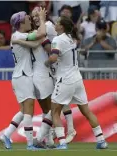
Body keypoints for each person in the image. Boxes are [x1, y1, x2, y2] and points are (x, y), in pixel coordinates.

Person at [44, 16, 108, 149]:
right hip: (77, 79)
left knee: (55, 111)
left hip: (65, 80)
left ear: (61, 26)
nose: (55, 24)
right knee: (87, 111)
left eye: (57, 23)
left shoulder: (57, 39)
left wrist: (46, 62)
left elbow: (54, 56)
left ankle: (62, 142)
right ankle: (101, 140)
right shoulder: (70, 39)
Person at [0, 8, 47, 150]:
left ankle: (6, 135)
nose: (29, 20)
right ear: (20, 23)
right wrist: (42, 20)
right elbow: (41, 34)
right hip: (23, 76)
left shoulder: (18, 36)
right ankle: (30, 144)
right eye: (27, 18)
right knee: (28, 111)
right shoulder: (19, 35)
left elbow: (36, 42)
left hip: (21, 76)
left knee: (23, 110)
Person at [31, 7, 76, 144]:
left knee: (58, 102)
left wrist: (47, 61)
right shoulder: (42, 29)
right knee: (59, 102)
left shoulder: (49, 26)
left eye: (37, 15)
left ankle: (54, 134)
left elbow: (50, 49)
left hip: (57, 67)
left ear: (44, 14)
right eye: (33, 16)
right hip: (54, 69)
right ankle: (52, 135)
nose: (35, 18)